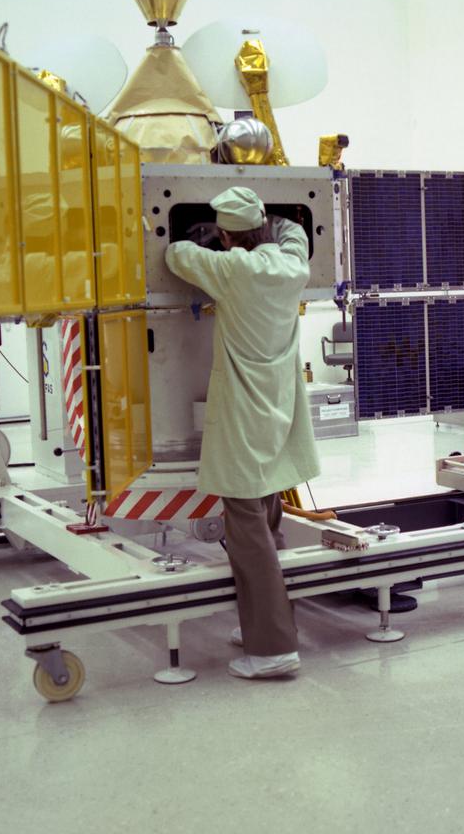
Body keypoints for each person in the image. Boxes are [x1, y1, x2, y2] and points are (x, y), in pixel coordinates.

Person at [165, 187, 320, 678]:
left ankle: (273, 648)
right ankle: (265, 622)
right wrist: (257, 224)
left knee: (247, 528)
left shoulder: (232, 270)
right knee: (268, 514)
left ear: (231, 235)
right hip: (279, 404)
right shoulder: (293, 264)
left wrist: (211, 240)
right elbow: (294, 231)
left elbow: (175, 254)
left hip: (243, 411)